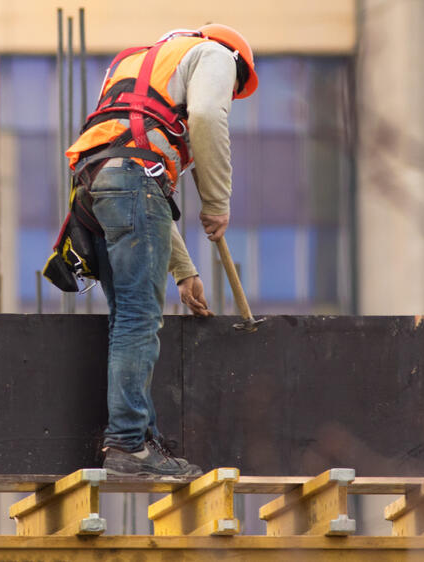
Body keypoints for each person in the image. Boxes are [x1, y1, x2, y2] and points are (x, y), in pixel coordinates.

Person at [65, 24, 258, 476]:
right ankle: (129, 446)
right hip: (131, 184)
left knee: (128, 318)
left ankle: (140, 437)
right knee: (138, 320)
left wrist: (184, 270)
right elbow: (209, 117)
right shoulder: (214, 54)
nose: (228, 90)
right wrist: (216, 202)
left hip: (95, 185)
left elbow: (132, 169)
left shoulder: (131, 65)